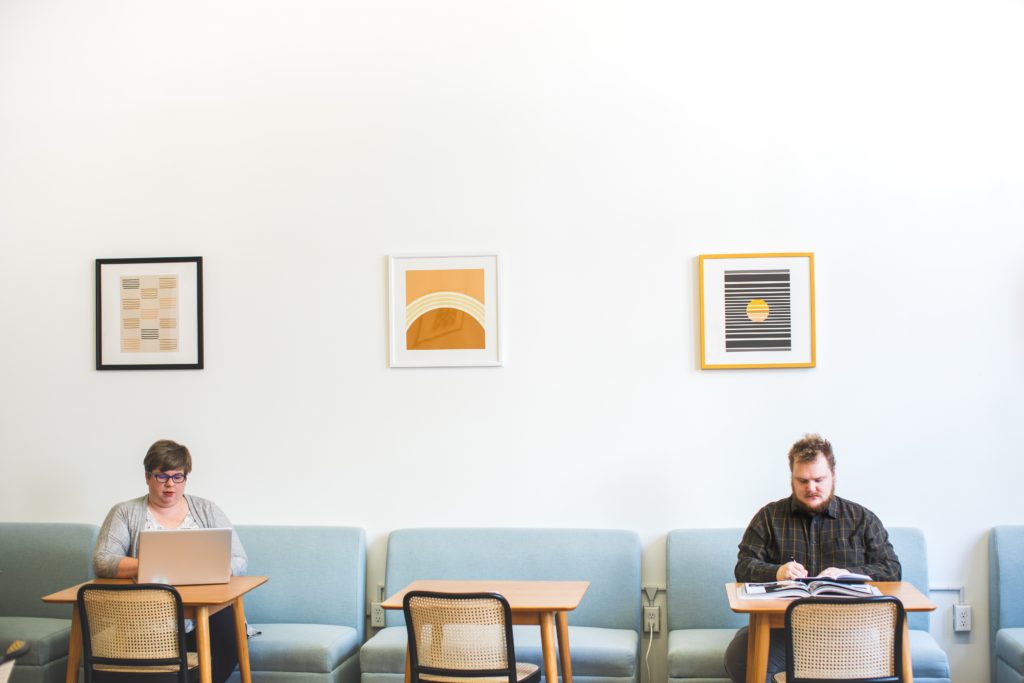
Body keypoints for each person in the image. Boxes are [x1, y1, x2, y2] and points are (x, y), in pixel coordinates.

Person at [723, 434, 901, 683]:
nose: (811, 488)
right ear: (792, 478)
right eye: (803, 481)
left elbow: (892, 569)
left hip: (851, 633)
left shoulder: (862, 519)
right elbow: (743, 567)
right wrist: (777, 572)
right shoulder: (769, 517)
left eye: (819, 480)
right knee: (739, 656)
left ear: (833, 475)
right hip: (785, 632)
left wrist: (850, 574)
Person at [93, 439, 247, 683]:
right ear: (147, 476)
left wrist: (218, 568)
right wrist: (156, 565)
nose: (170, 484)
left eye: (177, 477)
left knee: (230, 634)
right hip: (145, 617)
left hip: (203, 615)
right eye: (162, 476)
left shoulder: (207, 510)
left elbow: (239, 559)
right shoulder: (124, 512)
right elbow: (103, 560)